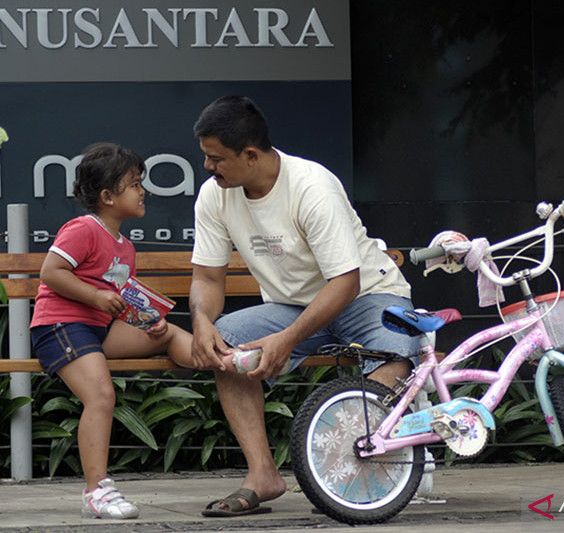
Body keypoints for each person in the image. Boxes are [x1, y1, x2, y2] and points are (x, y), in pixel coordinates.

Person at [189, 95, 422, 517]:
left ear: (252, 155)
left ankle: (346, 476)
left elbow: (345, 282)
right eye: (206, 157)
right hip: (292, 307)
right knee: (226, 344)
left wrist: (287, 340)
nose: (208, 167)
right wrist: (203, 320)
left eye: (216, 159)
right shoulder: (214, 196)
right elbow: (207, 278)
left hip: (367, 296)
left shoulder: (313, 186)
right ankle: (262, 475)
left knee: (392, 355)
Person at [30, 143, 195, 519]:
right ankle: (96, 493)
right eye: (134, 184)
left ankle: (217, 357)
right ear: (107, 196)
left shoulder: (126, 246)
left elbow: (121, 297)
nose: (143, 191)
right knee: (101, 395)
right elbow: (50, 273)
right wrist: (95, 297)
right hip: (61, 325)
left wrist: (145, 319)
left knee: (164, 332)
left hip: (97, 330)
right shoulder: (83, 229)